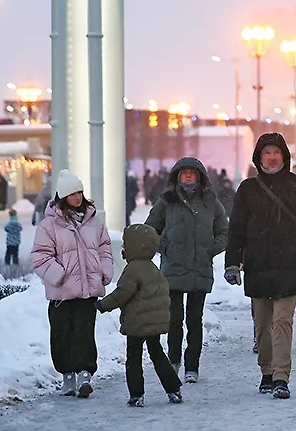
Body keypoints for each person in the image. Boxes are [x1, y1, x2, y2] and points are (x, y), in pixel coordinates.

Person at [225, 133, 296, 400]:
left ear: (284, 156)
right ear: (259, 157)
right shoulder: (248, 189)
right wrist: (232, 262)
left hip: (289, 261)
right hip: (257, 263)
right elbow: (236, 229)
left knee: (282, 321)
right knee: (262, 324)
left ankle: (281, 376)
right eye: (266, 152)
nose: (272, 157)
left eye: (276, 152)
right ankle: (266, 371)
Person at [31, 169, 114, 399]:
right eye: (72, 193)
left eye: (80, 192)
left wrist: (104, 271)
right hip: (62, 293)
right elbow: (39, 256)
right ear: (62, 196)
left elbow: (105, 248)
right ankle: (68, 375)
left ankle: (86, 373)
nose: (77, 197)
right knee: (62, 334)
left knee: (85, 333)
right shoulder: (49, 226)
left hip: (87, 290)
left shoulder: (93, 222)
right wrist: (60, 275)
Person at [145, 157, 229, 384]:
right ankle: (174, 360)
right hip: (173, 268)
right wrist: (166, 247)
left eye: (193, 172)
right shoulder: (166, 201)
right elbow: (150, 230)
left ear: (200, 176)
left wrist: (209, 250)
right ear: (177, 176)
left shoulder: (211, 202)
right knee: (174, 319)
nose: (189, 176)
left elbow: (224, 231)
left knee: (195, 319)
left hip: (199, 268)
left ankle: (192, 365)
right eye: (184, 173)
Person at [96, 223, 184, 407]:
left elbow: (122, 293)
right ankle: (173, 389)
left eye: (125, 245)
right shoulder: (153, 268)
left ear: (136, 246)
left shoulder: (133, 270)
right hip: (153, 322)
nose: (122, 248)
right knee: (158, 355)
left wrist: (103, 305)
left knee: (133, 358)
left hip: (137, 323)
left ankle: (137, 394)